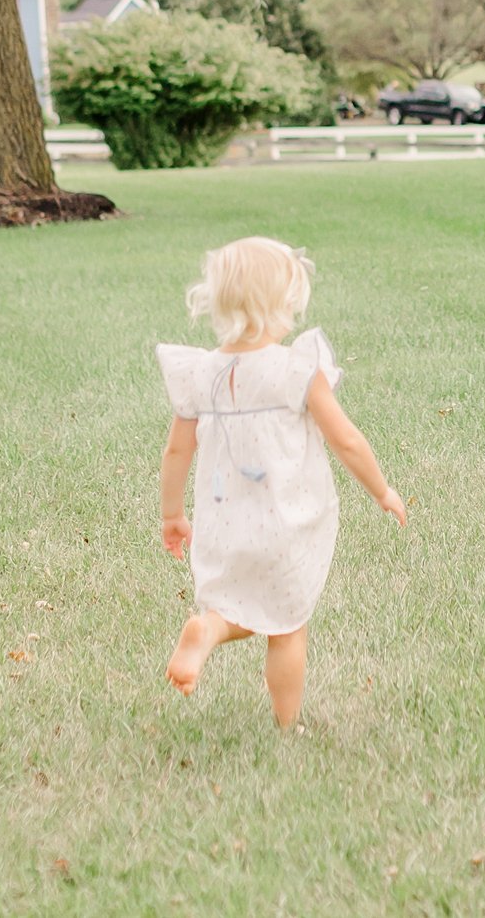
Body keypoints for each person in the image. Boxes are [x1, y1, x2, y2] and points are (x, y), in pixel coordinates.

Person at [156, 235, 405, 728]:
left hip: (223, 523)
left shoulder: (199, 372)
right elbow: (346, 440)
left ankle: (208, 630)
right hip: (287, 522)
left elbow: (177, 450)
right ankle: (287, 726)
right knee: (287, 626)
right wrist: (382, 489)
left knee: (236, 609)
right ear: (284, 302)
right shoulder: (295, 368)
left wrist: (172, 514)